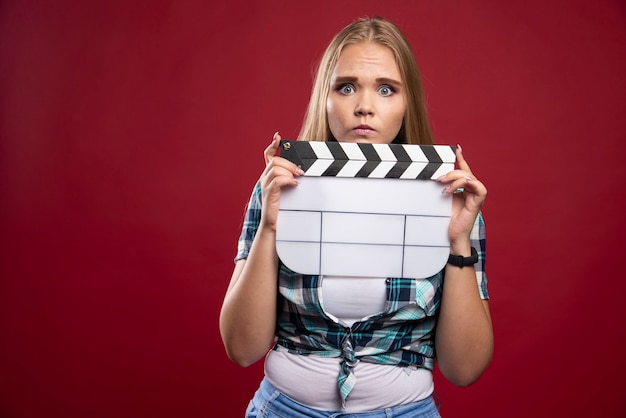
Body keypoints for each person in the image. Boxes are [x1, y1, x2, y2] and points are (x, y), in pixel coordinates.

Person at [220, 16, 493, 417]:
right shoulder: (279, 189)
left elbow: (465, 368)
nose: (364, 106)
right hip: (285, 409)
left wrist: (457, 244)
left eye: (386, 90)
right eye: (346, 87)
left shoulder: (452, 200)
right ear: (324, 98)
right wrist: (271, 226)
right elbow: (242, 349)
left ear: (407, 102)